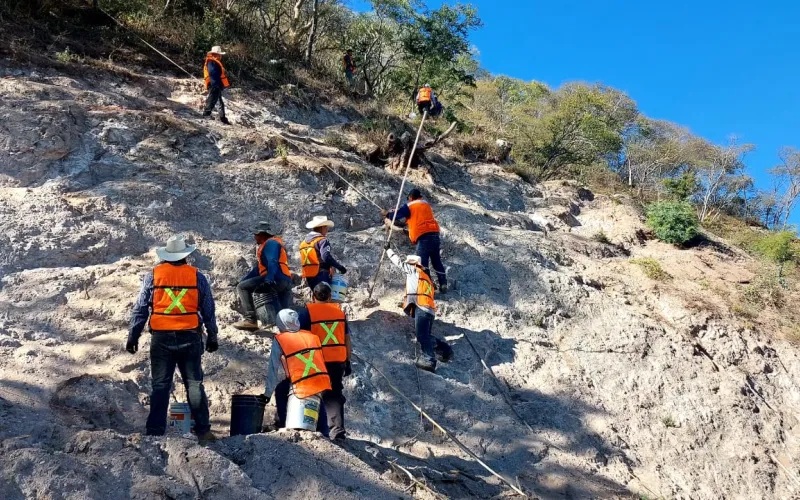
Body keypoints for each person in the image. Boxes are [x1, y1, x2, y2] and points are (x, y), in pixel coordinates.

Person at [126, 235, 218, 443]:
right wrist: (212, 334)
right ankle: (203, 431)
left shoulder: (153, 276)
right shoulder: (197, 277)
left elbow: (140, 308)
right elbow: (208, 308)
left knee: (160, 385)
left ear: (166, 256)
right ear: (186, 256)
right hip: (190, 337)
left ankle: (155, 431)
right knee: (194, 384)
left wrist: (133, 335)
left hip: (161, 339)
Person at [385, 247, 453, 372]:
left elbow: (399, 263)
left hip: (421, 307)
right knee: (426, 335)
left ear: (412, 263)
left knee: (422, 336)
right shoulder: (426, 278)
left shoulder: (413, 270)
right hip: (429, 310)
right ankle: (445, 350)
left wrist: (388, 250)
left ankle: (429, 360)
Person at [264, 309, 332, 434]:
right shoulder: (311, 336)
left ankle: (286, 426)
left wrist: (267, 394)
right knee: (316, 397)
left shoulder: (280, 339)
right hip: (319, 379)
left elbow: (273, 368)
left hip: (300, 381)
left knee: (280, 391)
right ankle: (324, 430)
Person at [298, 283, 351, 440]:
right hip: (337, 360)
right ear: (329, 297)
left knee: (312, 392)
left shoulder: (307, 313)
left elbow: (300, 337)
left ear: (313, 296)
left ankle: (311, 426)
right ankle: (337, 430)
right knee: (334, 393)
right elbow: (347, 339)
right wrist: (348, 360)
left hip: (315, 360)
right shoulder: (340, 314)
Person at [382, 188, 447, 293]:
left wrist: (387, 214)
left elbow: (397, 215)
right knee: (436, 261)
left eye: (408, 199)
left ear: (411, 198)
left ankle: (428, 286)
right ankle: (443, 283)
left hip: (423, 238)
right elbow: (413, 220)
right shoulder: (425, 205)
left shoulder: (410, 205)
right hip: (434, 234)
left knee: (422, 264)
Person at [233, 222, 293, 331]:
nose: (254, 237)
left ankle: (250, 320)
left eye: (256, 234)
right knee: (285, 312)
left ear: (261, 234)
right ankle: (287, 332)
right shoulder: (272, 244)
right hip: (285, 280)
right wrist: (242, 280)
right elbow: (257, 270)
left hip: (276, 279)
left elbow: (273, 261)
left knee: (242, 288)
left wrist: (269, 277)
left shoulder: (270, 244)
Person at [299, 215, 347, 291]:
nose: (327, 230)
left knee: (317, 297)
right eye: (326, 227)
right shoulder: (322, 240)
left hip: (309, 276)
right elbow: (325, 256)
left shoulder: (303, 243)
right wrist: (339, 267)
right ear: (322, 227)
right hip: (321, 274)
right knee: (324, 297)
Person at [203, 45, 230, 125]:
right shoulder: (211, 62)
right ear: (216, 54)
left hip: (216, 84)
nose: (221, 56)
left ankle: (223, 118)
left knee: (219, 101)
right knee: (212, 99)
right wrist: (216, 84)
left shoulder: (214, 62)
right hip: (214, 84)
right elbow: (212, 73)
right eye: (220, 54)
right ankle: (206, 114)